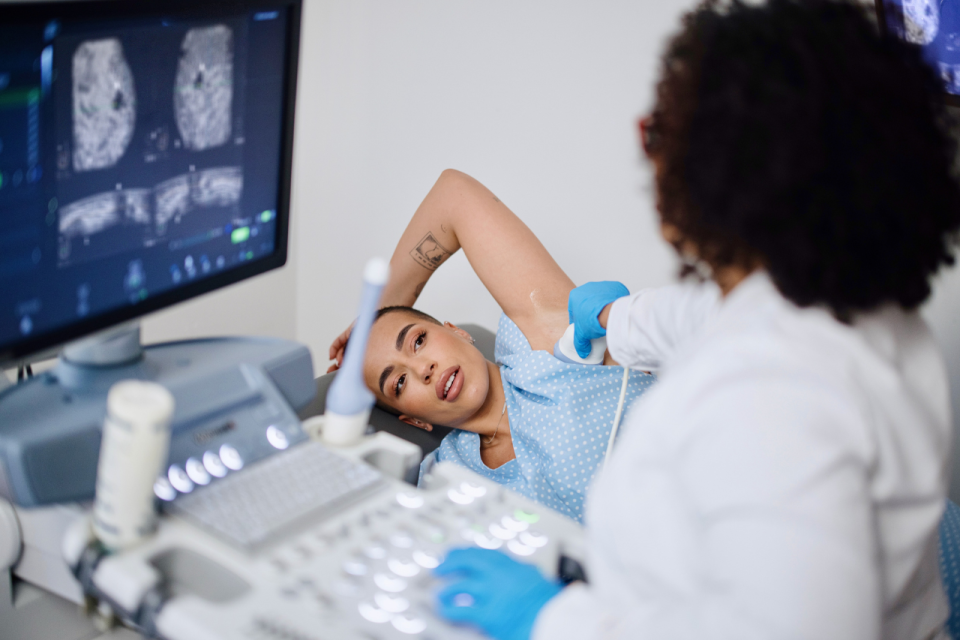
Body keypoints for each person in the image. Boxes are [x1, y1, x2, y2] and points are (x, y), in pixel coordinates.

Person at [430, 1, 960, 639]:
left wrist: (553, 620)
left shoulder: (769, 402)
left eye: (659, 134)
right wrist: (614, 319)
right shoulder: (857, 303)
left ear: (716, 178)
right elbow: (707, 317)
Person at [327, 169, 655, 523]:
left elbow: (453, 195)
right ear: (414, 421)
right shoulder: (447, 478)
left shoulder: (540, 345)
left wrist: (377, 311)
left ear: (456, 331)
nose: (422, 369)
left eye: (418, 340)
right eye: (399, 383)